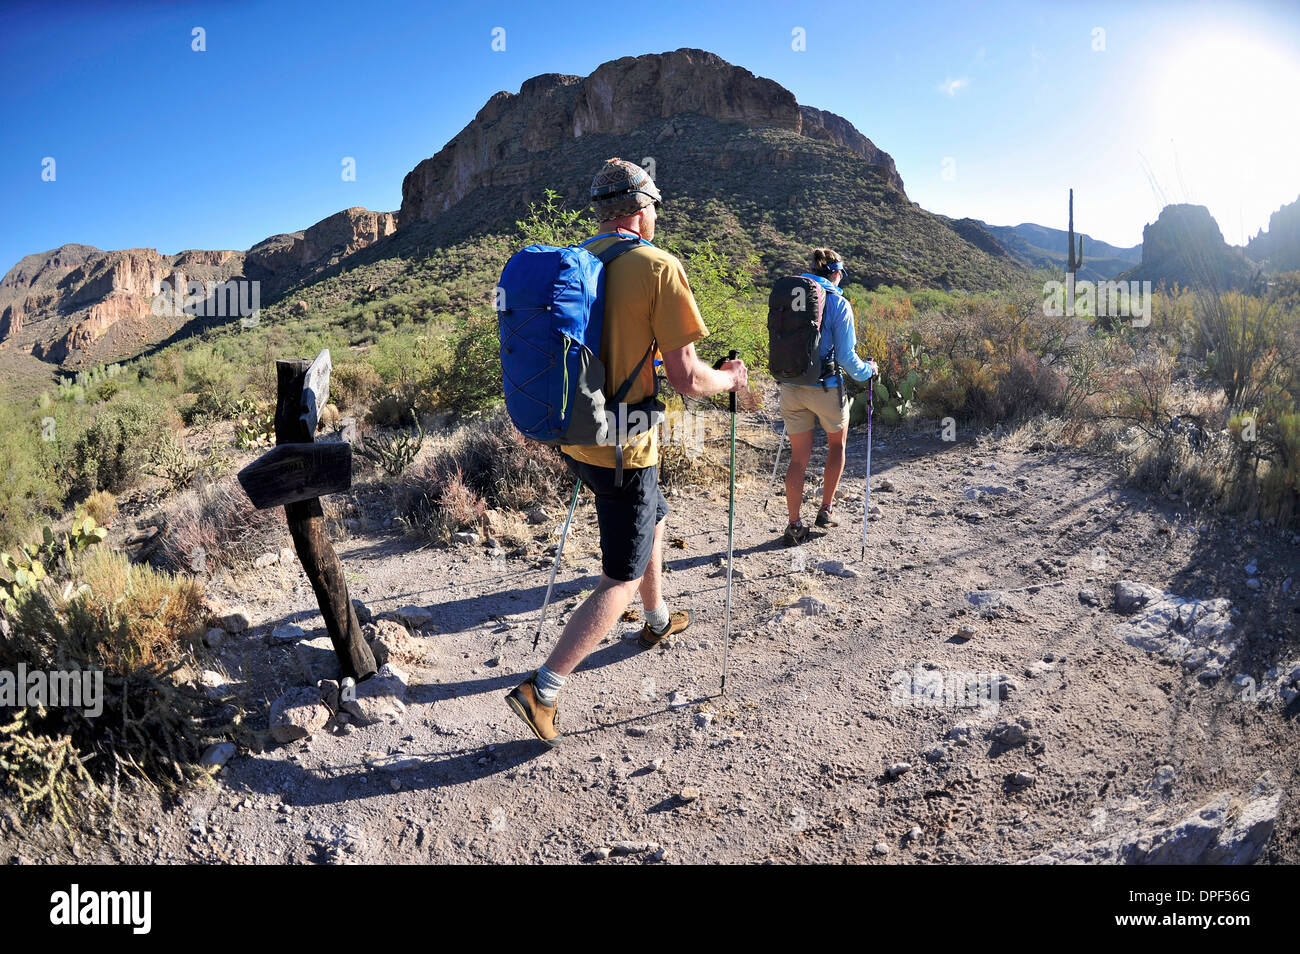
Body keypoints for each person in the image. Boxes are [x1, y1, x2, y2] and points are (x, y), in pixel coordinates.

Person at [506, 158, 748, 747]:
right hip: (626, 448)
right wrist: (733, 380)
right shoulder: (658, 267)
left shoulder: (578, 260)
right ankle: (545, 687)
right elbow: (688, 380)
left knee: (654, 515)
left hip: (577, 439)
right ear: (643, 209)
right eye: (656, 208)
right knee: (621, 571)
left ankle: (658, 618)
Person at [780, 248, 878, 546]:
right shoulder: (838, 302)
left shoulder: (789, 296)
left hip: (791, 385)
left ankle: (794, 524)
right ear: (836, 273)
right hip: (826, 386)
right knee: (837, 443)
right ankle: (825, 510)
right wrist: (868, 371)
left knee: (799, 457)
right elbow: (848, 358)